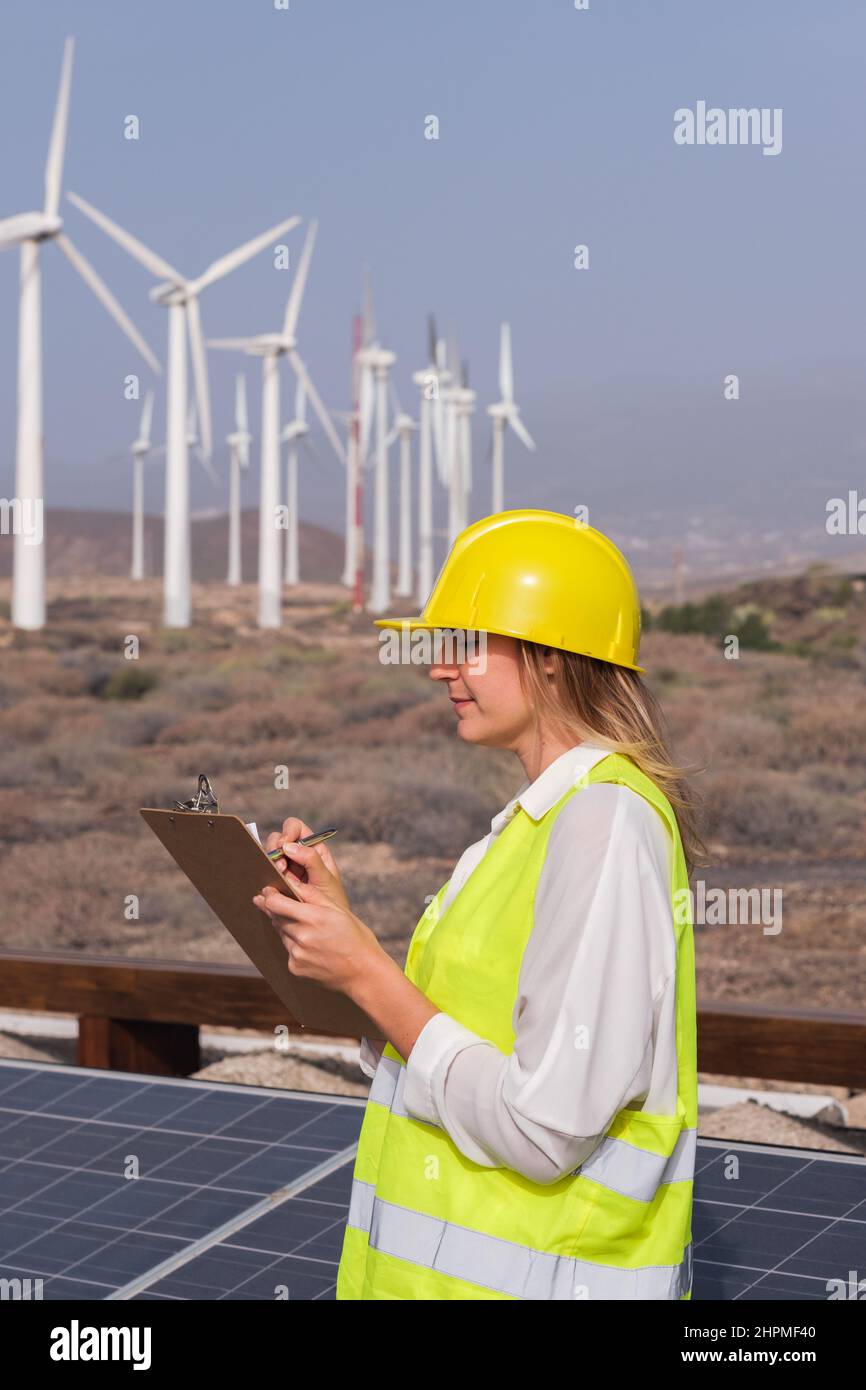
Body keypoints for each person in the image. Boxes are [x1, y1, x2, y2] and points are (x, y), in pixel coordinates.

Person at [253, 509, 705, 1301]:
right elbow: (450, 1040)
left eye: (466, 644)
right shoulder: (538, 824)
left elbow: (545, 1128)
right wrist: (344, 937)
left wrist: (366, 973)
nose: (438, 669)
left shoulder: (604, 823)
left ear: (552, 656)